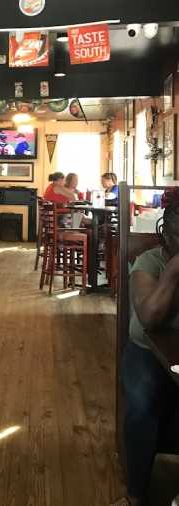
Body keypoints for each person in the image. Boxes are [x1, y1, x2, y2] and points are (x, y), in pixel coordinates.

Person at [113, 187, 179, 506]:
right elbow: (150, 317)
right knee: (143, 401)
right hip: (146, 352)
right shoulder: (148, 262)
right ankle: (135, 494)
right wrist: (175, 270)